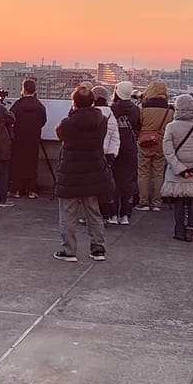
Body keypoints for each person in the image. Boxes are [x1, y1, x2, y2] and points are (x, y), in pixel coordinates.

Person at [53, 85, 111, 262]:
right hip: (94, 171)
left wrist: (72, 113)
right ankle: (98, 249)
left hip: (71, 173)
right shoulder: (101, 121)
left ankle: (69, 250)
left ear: (74, 103)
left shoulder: (68, 124)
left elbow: (60, 134)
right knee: (94, 212)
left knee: (68, 214)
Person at [160, 94, 193, 242]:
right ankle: (191, 227)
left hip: (178, 171)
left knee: (179, 201)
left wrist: (180, 169)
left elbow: (168, 150)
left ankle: (179, 229)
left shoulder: (171, 126)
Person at [134, 80, 171, 212]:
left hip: (144, 142)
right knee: (158, 173)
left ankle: (143, 201)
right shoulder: (169, 109)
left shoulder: (142, 107)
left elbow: (138, 124)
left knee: (143, 173)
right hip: (160, 143)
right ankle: (157, 202)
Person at [8, 79, 47, 199]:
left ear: (23, 89)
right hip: (33, 138)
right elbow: (43, 121)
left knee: (17, 164)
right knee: (32, 164)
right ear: (35, 90)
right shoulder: (39, 106)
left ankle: (16, 190)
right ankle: (32, 190)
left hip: (19, 138)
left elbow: (10, 118)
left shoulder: (18, 105)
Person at [110, 81, 141, 224]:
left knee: (114, 181)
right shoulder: (135, 110)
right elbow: (137, 127)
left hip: (114, 148)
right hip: (130, 147)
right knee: (128, 181)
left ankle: (113, 214)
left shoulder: (113, 109)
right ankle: (126, 215)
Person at [91, 85, 121, 224]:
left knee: (90, 189)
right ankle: (105, 216)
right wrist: (112, 154)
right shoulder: (110, 114)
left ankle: (93, 216)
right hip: (106, 156)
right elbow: (115, 137)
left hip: (91, 154)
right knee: (104, 187)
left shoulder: (91, 113)